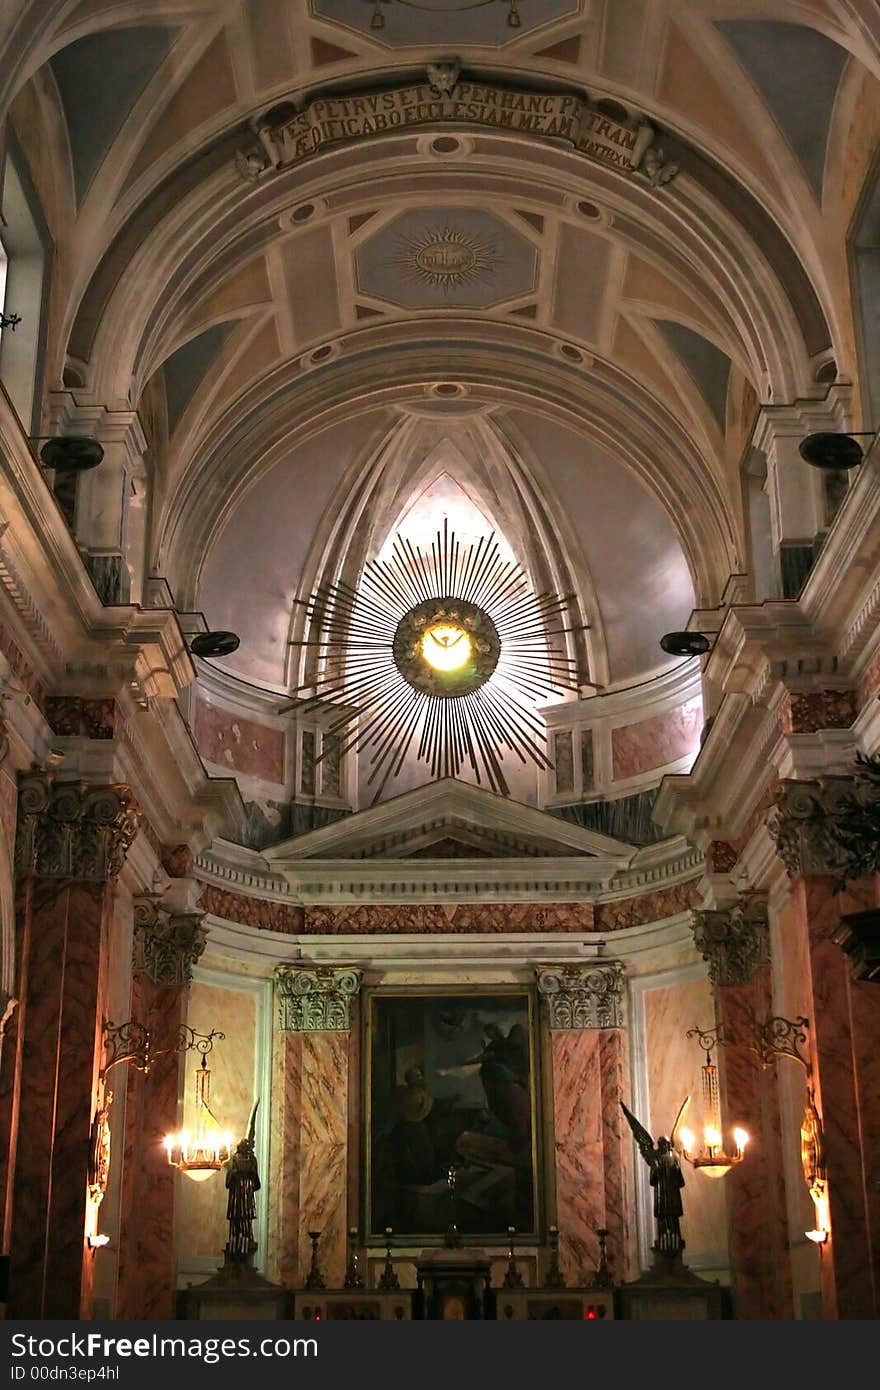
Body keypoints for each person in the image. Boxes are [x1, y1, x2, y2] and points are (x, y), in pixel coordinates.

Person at [225, 1134, 260, 1259]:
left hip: (247, 1191)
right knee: (236, 1218)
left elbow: (256, 1181)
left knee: (246, 1218)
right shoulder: (234, 1158)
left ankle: (247, 1238)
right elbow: (228, 1181)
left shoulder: (252, 1159)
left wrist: (250, 1171)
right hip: (236, 1192)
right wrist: (237, 1172)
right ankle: (235, 1239)